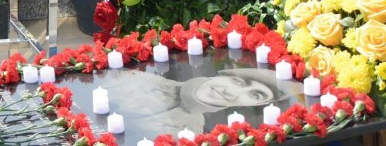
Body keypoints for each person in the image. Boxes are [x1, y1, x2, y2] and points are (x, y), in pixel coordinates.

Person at [96, 65, 293, 135]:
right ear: (222, 75)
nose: (230, 90)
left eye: (255, 95)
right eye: (237, 80)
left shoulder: (190, 133)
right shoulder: (135, 78)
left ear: (253, 105)